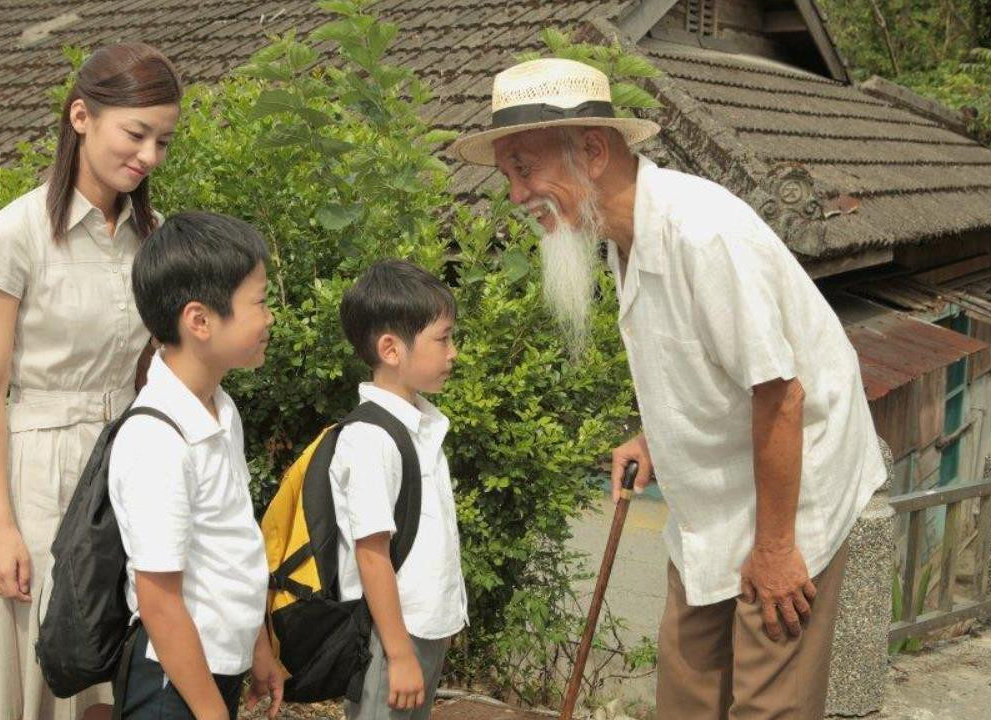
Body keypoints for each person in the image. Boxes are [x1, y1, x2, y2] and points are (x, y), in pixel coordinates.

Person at [450, 58, 886, 719]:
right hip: (712, 493)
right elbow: (706, 363)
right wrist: (654, 435)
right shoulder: (623, 237)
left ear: (593, 152)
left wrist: (775, 548)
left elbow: (781, 396)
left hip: (789, 489)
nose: (516, 195)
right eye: (510, 174)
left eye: (524, 169)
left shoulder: (704, 235)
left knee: (768, 703)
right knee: (686, 694)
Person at [0, 43, 182, 720]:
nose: (148, 156)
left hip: (124, 465)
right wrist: (1, 526)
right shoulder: (13, 234)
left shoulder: (155, 236)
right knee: (45, 680)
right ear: (81, 116)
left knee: (114, 679)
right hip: (37, 475)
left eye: (163, 141)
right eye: (135, 134)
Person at [109, 211, 283, 720]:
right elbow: (159, 601)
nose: (270, 317)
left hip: (209, 672)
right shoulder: (157, 438)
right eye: (260, 302)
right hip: (171, 685)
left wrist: (257, 650)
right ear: (200, 321)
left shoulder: (219, 410)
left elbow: (230, 544)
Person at [332, 260, 468, 720]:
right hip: (392, 635)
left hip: (420, 629)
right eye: (443, 338)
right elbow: (372, 555)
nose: (453, 353)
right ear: (391, 349)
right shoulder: (371, 438)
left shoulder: (420, 426)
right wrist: (399, 653)